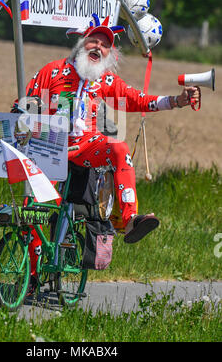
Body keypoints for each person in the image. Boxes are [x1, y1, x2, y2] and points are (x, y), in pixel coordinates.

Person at [11, 15, 200, 292]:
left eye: (106, 44)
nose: (99, 46)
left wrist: (177, 101)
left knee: (119, 148)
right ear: (82, 43)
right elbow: (25, 102)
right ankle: (33, 274)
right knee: (34, 212)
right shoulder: (52, 71)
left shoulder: (106, 80)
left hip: (88, 147)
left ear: (110, 53)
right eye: (94, 40)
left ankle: (130, 219)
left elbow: (138, 100)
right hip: (51, 148)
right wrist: (23, 112)